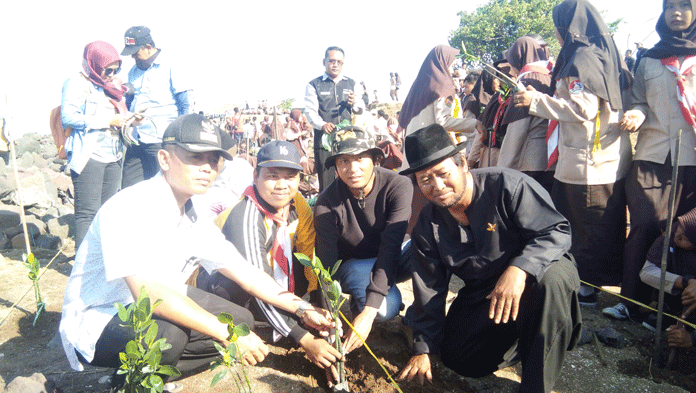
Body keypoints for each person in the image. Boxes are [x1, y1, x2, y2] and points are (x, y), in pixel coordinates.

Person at [59, 113, 338, 392]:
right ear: (165, 159)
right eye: (195, 157)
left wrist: (303, 310)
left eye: (214, 160)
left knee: (241, 321)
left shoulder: (191, 215)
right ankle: (135, 382)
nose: (207, 168)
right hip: (101, 316)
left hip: (158, 299)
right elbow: (148, 293)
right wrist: (225, 335)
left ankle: (144, 374)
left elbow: (247, 274)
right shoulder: (129, 206)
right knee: (170, 335)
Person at [397, 123, 581, 392]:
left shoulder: (508, 186)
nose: (437, 186)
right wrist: (423, 347)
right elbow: (429, 289)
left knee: (552, 279)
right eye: (425, 179)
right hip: (485, 292)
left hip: (537, 277)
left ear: (462, 163)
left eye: (443, 173)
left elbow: (557, 230)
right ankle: (525, 339)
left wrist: (520, 269)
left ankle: (536, 380)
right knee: (458, 357)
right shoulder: (428, 224)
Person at [514, 0, 632, 307]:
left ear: (564, 26)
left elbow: (583, 108)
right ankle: (586, 286)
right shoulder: (598, 53)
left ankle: (586, 290)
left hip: (588, 164)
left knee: (587, 228)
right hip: (596, 158)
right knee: (594, 226)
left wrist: (535, 101)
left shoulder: (581, 58)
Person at [195, 140, 342, 380]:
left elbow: (309, 256)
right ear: (255, 175)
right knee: (243, 311)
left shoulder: (297, 204)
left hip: (266, 277)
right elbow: (255, 282)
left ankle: (274, 319)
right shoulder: (248, 216)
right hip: (226, 286)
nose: (282, 185)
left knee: (300, 274)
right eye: (273, 176)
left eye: (290, 176)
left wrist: (317, 305)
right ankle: (242, 326)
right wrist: (303, 338)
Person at [604, 0, 696, 321]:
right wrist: (635, 113)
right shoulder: (650, 59)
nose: (677, 11)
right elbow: (641, 101)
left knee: (681, 235)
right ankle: (629, 301)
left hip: (691, 159)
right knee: (643, 225)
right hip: (651, 156)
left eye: (685, 4)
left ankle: (666, 309)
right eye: (670, 5)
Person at [314, 127, 414, 355]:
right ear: (336, 166)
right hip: (356, 263)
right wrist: (330, 319)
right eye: (344, 161)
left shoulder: (398, 185)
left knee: (431, 248)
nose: (352, 169)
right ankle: (363, 301)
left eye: (360, 159)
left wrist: (368, 313)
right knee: (385, 310)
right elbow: (326, 266)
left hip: (393, 253)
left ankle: (415, 321)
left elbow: (391, 245)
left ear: (376, 159)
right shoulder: (326, 204)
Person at [61, 41, 129, 249]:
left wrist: (129, 119)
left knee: (106, 212)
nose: (111, 74)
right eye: (108, 70)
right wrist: (107, 121)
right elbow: (69, 117)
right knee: (87, 213)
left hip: (114, 155)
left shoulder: (110, 87)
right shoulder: (76, 82)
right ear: (95, 65)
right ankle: (81, 270)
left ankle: (99, 264)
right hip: (90, 157)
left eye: (116, 70)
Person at [120, 26, 194, 189]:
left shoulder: (171, 65)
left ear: (148, 47)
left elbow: (185, 104)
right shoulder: (133, 71)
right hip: (137, 140)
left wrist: (179, 139)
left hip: (161, 140)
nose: (133, 56)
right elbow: (130, 102)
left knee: (164, 188)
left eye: (135, 51)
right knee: (129, 188)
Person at [497, 36, 555, 193]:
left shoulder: (526, 81)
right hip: (553, 160)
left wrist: (501, 170)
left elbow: (518, 130)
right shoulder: (551, 76)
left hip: (531, 162)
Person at [304, 46, 364, 191]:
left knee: (350, 178)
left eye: (339, 62)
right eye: (331, 61)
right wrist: (322, 125)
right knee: (327, 182)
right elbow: (310, 112)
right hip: (324, 141)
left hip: (346, 139)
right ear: (324, 61)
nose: (335, 64)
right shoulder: (314, 85)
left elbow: (361, 109)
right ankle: (327, 212)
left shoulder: (351, 83)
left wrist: (354, 102)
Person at [639, 208, 696, 340]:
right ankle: (667, 312)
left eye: (686, 238)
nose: (678, 235)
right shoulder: (675, 230)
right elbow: (647, 272)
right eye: (680, 227)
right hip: (676, 297)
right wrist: (685, 282)